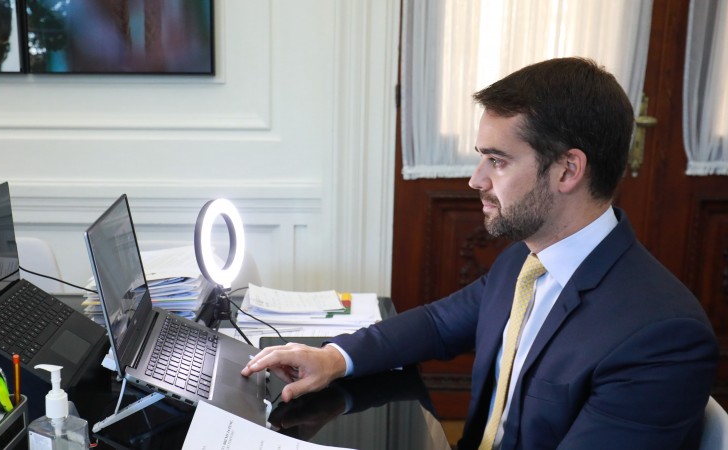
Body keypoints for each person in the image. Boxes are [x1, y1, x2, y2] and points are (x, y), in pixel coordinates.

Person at [242, 57, 719, 450]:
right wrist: (332, 358)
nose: (476, 180)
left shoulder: (662, 337)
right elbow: (438, 323)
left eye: (498, 160)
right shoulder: (527, 260)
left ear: (568, 170)